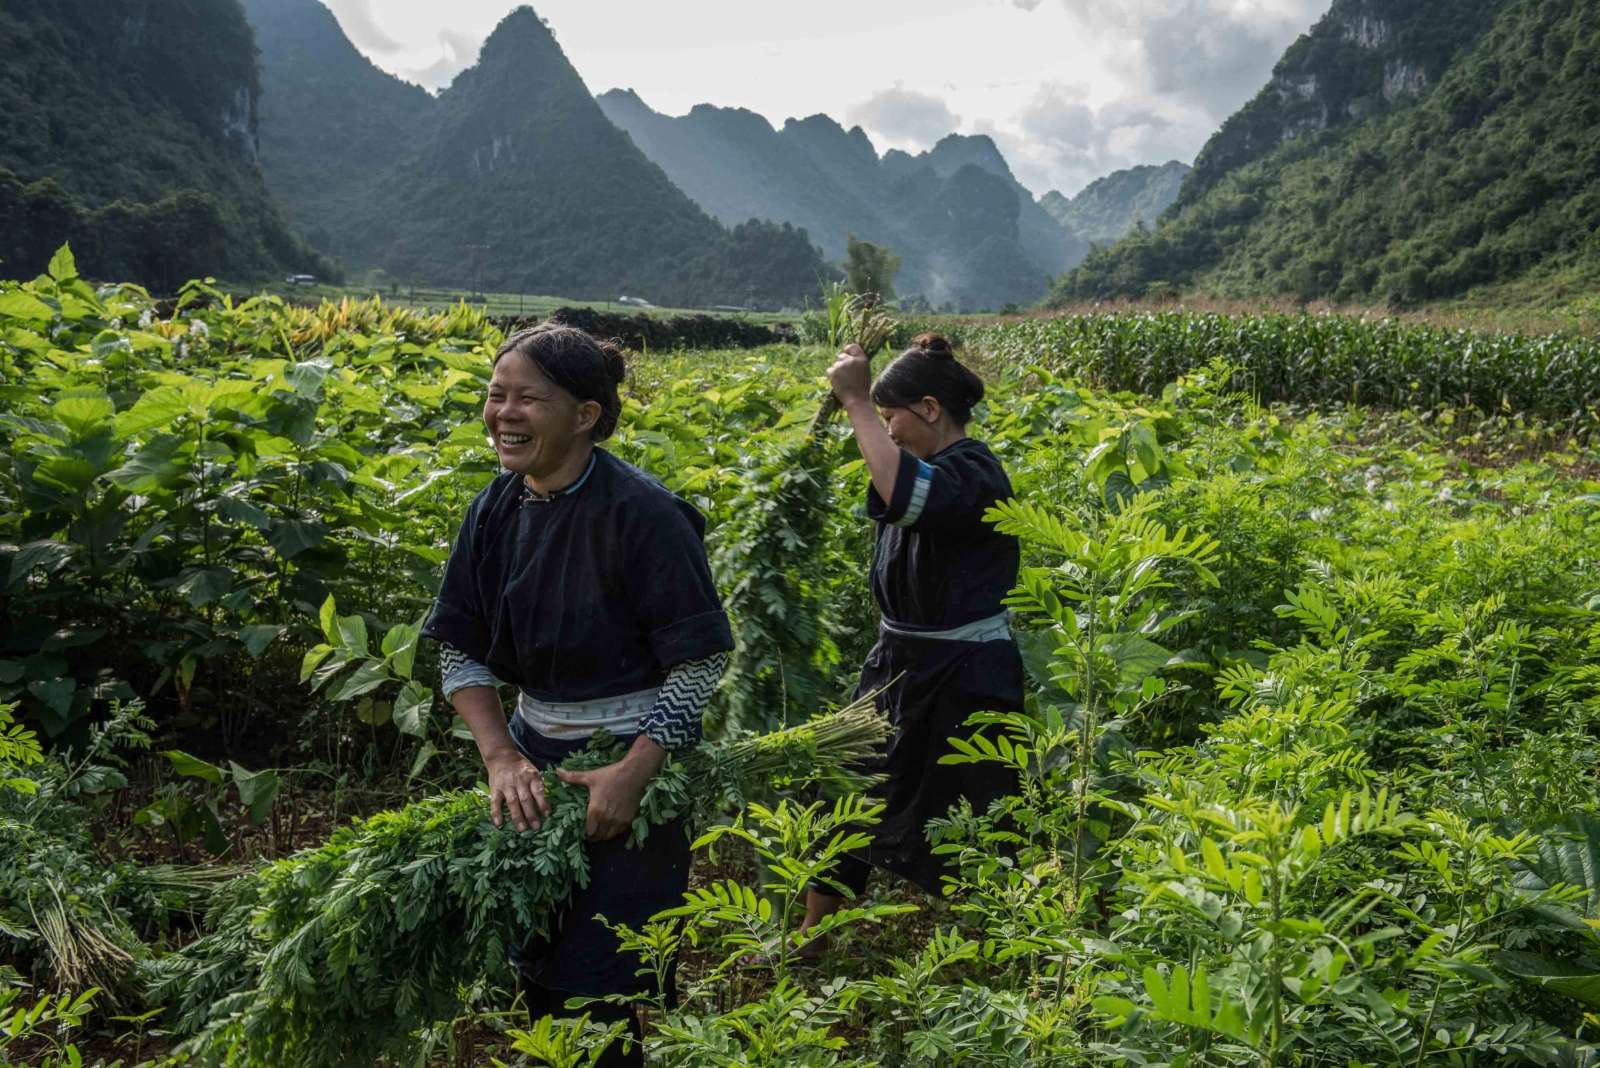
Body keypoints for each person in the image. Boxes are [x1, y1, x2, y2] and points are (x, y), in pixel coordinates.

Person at [421, 322, 733, 1067]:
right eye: (496, 395)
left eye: (528, 397)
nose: (504, 413)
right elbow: (459, 647)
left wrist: (634, 771)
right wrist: (501, 757)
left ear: (585, 414)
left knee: (601, 990)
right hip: (531, 767)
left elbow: (699, 664)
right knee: (533, 972)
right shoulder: (494, 510)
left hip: (633, 767)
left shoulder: (645, 515)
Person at [802, 332, 1025, 942]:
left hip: (965, 672)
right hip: (901, 658)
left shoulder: (974, 473)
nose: (888, 431)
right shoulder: (932, 469)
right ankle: (815, 931)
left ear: (929, 409)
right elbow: (897, 487)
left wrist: (855, 401)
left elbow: (904, 495)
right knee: (851, 781)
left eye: (893, 416)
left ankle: (997, 944)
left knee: (974, 806)